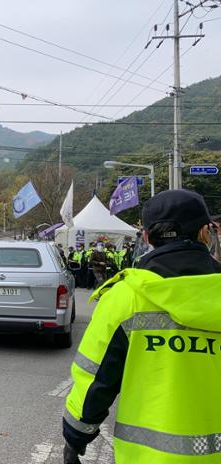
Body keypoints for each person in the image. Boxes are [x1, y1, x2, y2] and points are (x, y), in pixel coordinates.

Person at [62, 190, 221, 464]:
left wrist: (75, 438)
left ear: (146, 236)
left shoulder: (126, 297)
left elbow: (95, 380)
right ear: (206, 232)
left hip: (145, 456)